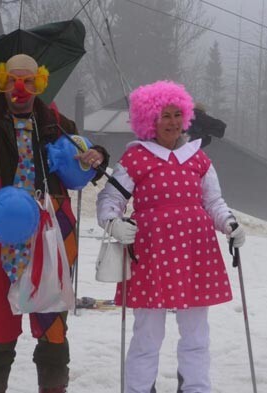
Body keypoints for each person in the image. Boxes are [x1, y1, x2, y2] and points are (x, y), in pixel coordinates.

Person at [0, 53, 109, 393]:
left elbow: (87, 155)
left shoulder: (54, 122)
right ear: (1, 83)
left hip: (53, 229)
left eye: (27, 81)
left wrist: (95, 155)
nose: (19, 89)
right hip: (2, 228)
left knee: (53, 319)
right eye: (12, 81)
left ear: (38, 83)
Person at [96, 80, 246, 393]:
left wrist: (229, 224)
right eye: (165, 115)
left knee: (196, 332)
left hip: (196, 252)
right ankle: (139, 388)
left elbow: (213, 202)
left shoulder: (198, 158)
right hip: (150, 253)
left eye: (177, 114)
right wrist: (113, 223)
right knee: (147, 333)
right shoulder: (136, 159)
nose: (173, 122)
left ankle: (195, 387)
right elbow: (110, 200)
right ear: (149, 119)